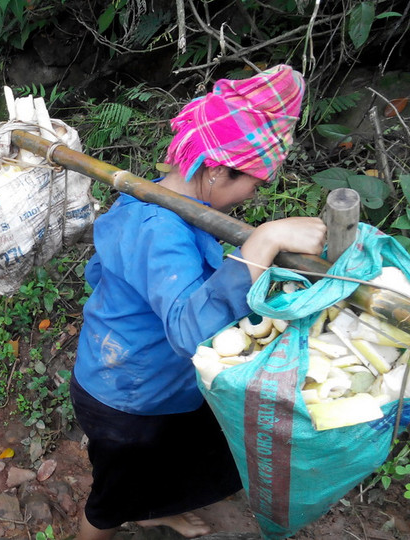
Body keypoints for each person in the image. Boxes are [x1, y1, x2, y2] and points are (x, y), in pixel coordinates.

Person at [70, 65, 327, 539]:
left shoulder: (162, 205)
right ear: (213, 170)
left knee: (169, 464)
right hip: (127, 397)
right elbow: (189, 328)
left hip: (162, 385)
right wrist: (264, 240)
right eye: (254, 181)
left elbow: (101, 273)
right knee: (109, 501)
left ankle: (151, 511)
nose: (255, 192)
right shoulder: (159, 228)